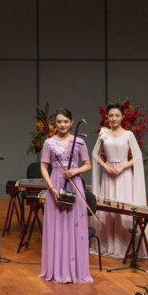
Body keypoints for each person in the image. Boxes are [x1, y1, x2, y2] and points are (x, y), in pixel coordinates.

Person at [38, 108, 93, 284]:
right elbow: (43, 167)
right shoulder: (49, 143)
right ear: (55, 123)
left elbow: (88, 164)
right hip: (55, 184)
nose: (62, 125)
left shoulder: (79, 142)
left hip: (74, 184)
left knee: (73, 226)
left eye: (66, 121)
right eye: (59, 122)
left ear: (71, 122)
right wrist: (51, 187)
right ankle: (56, 269)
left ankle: (75, 270)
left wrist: (75, 171)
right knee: (57, 226)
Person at [91, 102, 147, 259]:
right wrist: (105, 166)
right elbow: (94, 154)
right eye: (111, 115)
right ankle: (108, 245)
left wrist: (123, 166)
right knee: (108, 209)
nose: (114, 118)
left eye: (117, 115)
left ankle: (125, 246)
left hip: (124, 175)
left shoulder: (129, 134)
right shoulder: (103, 133)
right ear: (106, 117)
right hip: (108, 175)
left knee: (124, 208)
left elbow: (138, 156)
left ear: (123, 117)